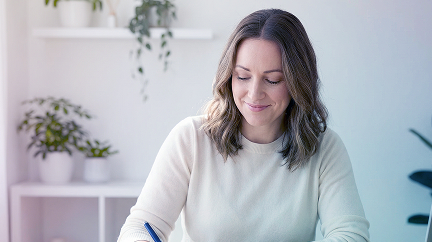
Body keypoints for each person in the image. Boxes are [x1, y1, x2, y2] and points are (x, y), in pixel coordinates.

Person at [118, 9, 370, 242]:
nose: (254, 93)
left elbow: (350, 234)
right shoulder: (191, 138)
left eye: (272, 80)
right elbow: (140, 226)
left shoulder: (324, 148)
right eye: (243, 76)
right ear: (229, 76)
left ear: (297, 82)